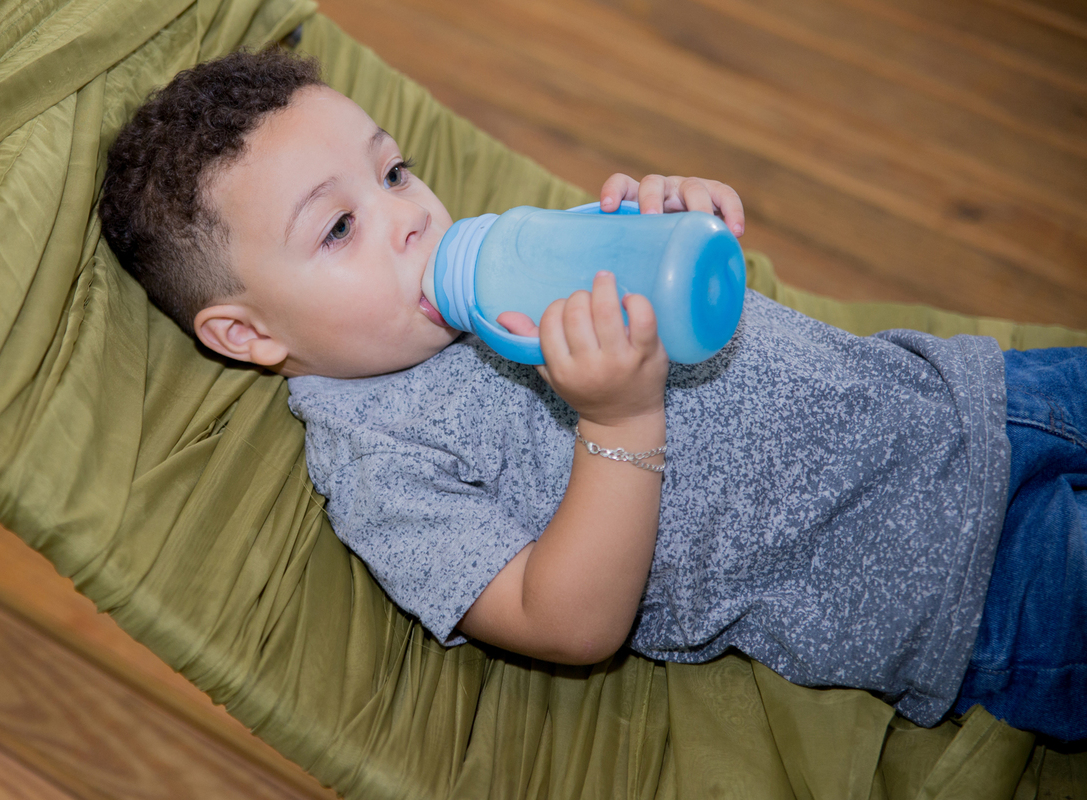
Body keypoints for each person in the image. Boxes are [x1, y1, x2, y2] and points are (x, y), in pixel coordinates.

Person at [97, 48, 1086, 741]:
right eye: (338, 229)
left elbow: (661, 272)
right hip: (963, 580)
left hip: (967, 392)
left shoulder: (489, 265)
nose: (408, 216)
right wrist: (617, 421)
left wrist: (668, 218)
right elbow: (563, 621)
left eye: (394, 171)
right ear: (250, 332)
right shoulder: (377, 464)